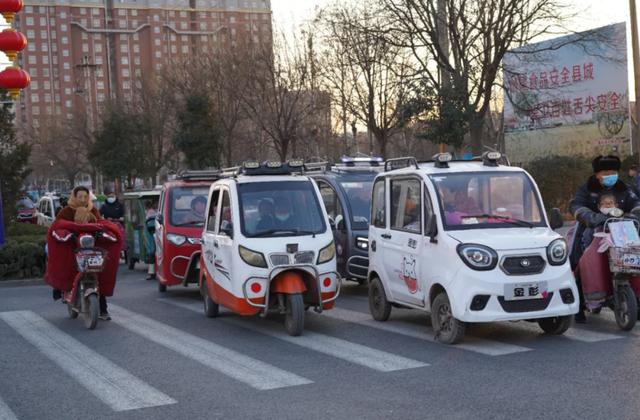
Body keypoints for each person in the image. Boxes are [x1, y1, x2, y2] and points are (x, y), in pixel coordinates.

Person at [569, 155, 640, 323]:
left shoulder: (624, 188)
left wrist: (634, 214)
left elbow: (636, 203)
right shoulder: (586, 189)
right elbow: (576, 205)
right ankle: (580, 303)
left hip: (621, 229)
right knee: (581, 260)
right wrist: (590, 216)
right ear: (597, 174)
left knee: (634, 256)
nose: (611, 176)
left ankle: (634, 298)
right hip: (592, 230)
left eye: (613, 172)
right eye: (606, 172)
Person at [54, 186, 112, 321]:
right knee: (69, 270)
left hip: (91, 249)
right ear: (74, 197)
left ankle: (103, 309)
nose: (82, 199)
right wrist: (67, 233)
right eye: (79, 197)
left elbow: (100, 223)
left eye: (85, 196)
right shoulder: (66, 211)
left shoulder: (93, 210)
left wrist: (102, 231)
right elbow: (58, 225)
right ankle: (66, 293)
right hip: (72, 248)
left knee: (99, 275)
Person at [144, 201, 157, 281]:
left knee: (152, 254)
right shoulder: (155, 212)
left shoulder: (150, 213)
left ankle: (151, 273)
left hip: (152, 237)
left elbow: (150, 226)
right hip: (152, 236)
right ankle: (152, 272)